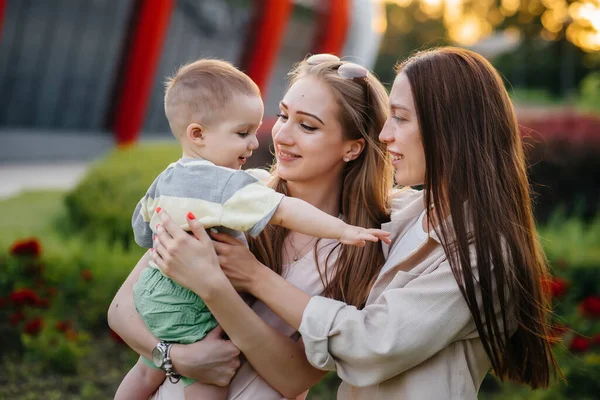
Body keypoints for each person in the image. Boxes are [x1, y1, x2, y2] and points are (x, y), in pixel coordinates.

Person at [149, 47, 561, 399]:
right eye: (283, 115)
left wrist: (251, 276)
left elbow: (369, 344)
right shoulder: (401, 214)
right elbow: (131, 302)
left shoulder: (480, 251)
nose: (385, 135)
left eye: (400, 118)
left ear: (448, 131)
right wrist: (173, 356)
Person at [108, 54, 394, 399]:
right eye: (284, 115)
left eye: (307, 126)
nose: (282, 135)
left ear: (352, 148)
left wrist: (217, 286)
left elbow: (294, 379)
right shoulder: (231, 192)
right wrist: (175, 358)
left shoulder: (355, 250)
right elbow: (122, 309)